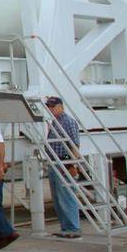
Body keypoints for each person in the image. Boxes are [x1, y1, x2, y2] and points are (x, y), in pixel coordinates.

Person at [44, 96, 82, 238]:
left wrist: (71, 164)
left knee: (67, 196)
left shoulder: (68, 122)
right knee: (58, 198)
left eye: (53, 106)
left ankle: (73, 228)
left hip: (63, 163)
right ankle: (66, 227)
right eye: (49, 107)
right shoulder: (55, 122)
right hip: (55, 163)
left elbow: (75, 145)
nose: (50, 109)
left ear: (61, 106)